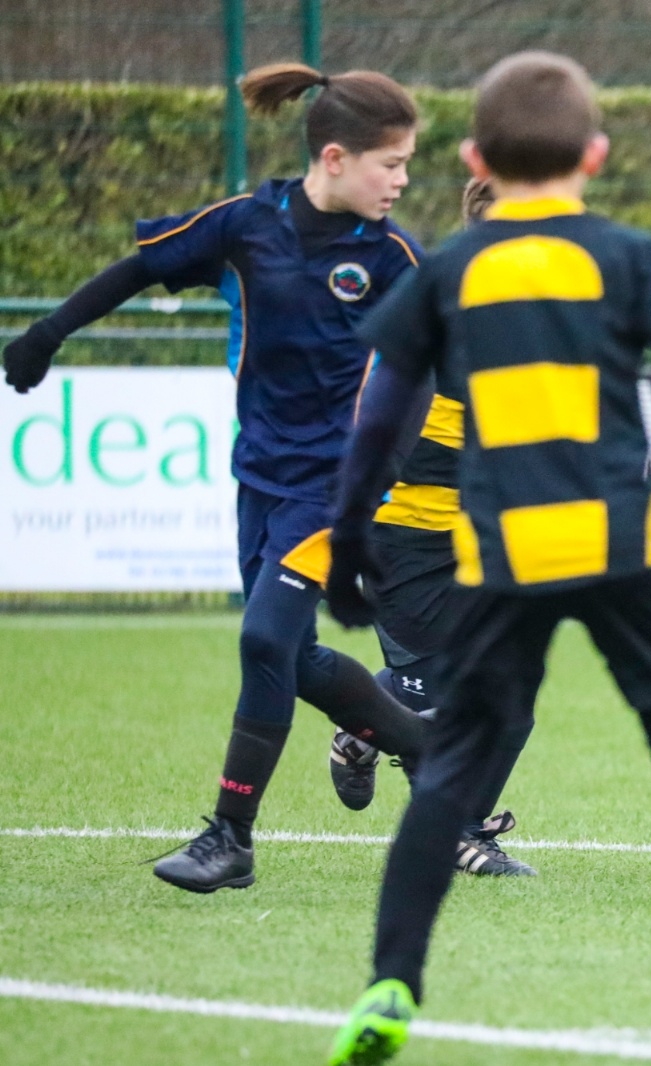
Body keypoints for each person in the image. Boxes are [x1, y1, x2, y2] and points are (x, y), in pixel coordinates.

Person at [321, 52, 651, 1063]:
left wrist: (349, 537)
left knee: (451, 768)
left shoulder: (448, 270)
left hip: (503, 554)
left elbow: (378, 417)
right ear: (596, 155)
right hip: (621, 543)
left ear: (474, 158)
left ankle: (389, 988)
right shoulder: (629, 256)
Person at [1, 63, 434, 893]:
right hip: (260, 480)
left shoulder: (395, 259)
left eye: (407, 164)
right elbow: (140, 269)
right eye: (392, 163)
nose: (403, 180)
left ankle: (230, 838)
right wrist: (48, 333)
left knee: (262, 640)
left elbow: (419, 375)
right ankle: (426, 748)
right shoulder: (245, 226)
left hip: (332, 492)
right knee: (294, 660)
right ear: (335, 158)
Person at [326, 177, 536, 878]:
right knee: (455, 699)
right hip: (405, 542)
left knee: (511, 694)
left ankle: (384, 751)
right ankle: (453, 828)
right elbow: (376, 422)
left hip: (485, 542)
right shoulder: (431, 305)